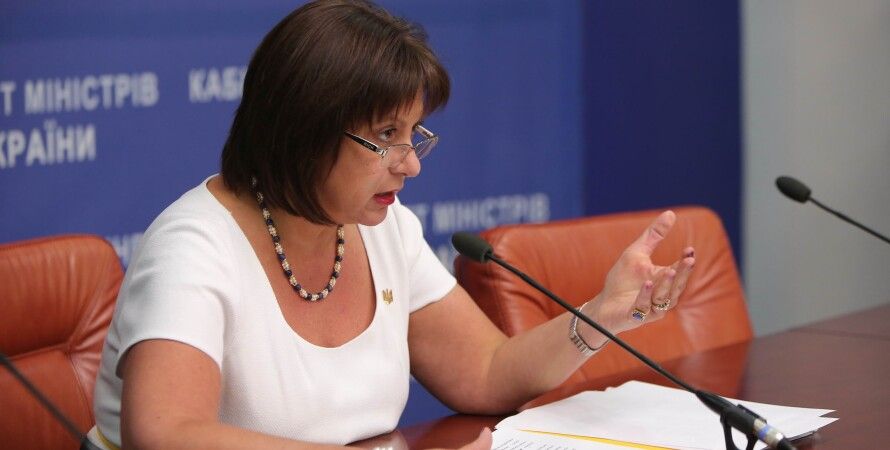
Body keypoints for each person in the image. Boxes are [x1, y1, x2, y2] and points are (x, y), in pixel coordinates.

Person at [87, 1, 696, 449]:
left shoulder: (382, 227)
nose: (410, 164)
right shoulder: (194, 246)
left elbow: (486, 373)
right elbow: (166, 434)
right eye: (385, 136)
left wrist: (600, 317)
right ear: (304, 130)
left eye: (414, 135)